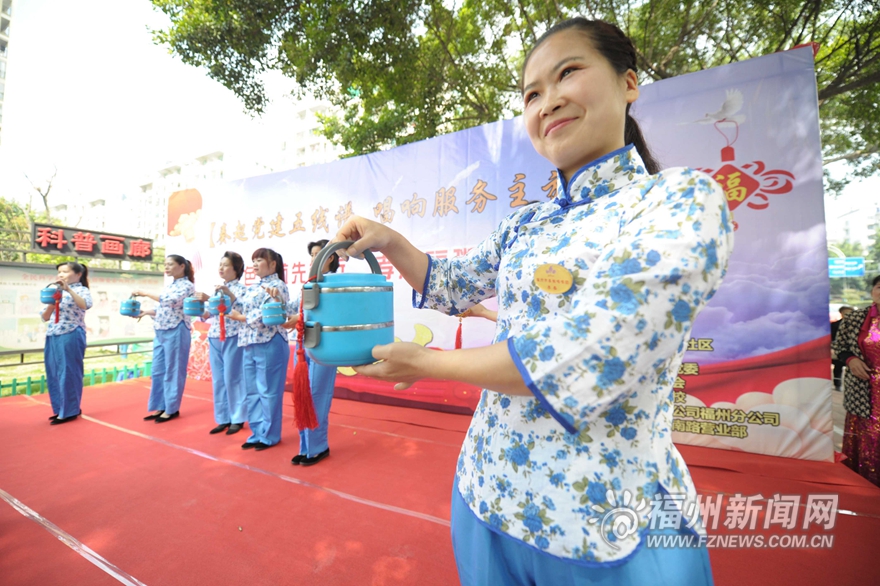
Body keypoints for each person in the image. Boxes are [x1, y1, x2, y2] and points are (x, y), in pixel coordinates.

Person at [333, 18, 732, 585]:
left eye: (568, 72)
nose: (549, 101)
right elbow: (449, 285)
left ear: (629, 82)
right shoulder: (525, 223)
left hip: (606, 525)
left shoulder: (679, 199)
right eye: (531, 94)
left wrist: (425, 363)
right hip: (487, 494)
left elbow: (599, 347)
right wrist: (391, 239)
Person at [228, 248, 292, 451]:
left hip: (270, 342)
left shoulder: (278, 286)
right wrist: (228, 294)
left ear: (273, 264)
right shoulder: (254, 286)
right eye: (253, 260)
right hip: (249, 342)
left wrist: (240, 318)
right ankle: (257, 432)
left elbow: (265, 315)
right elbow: (241, 305)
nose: (255, 264)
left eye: (259, 260)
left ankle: (270, 435)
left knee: (269, 391)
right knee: (252, 391)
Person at [285, 240, 340, 466]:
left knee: (317, 396)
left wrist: (300, 319)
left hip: (326, 347)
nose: (314, 258)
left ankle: (318, 447)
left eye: (319, 254)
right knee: (303, 396)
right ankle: (306, 447)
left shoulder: (336, 284)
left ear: (331, 258)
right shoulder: (309, 283)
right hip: (304, 347)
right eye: (312, 254)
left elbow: (331, 316)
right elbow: (294, 309)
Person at [135, 255, 196, 423]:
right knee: (158, 370)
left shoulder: (187, 286)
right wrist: (146, 312)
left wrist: (145, 293)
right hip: (161, 331)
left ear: (182, 266)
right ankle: (160, 406)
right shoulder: (170, 285)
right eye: (165, 264)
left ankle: (171, 408)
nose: (167, 267)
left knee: (174, 370)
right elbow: (160, 307)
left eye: (170, 264)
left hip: (176, 329)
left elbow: (171, 302)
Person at [193, 251, 248, 435]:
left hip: (232, 336)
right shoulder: (218, 288)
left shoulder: (241, 289)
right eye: (220, 264)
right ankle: (223, 418)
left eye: (225, 265)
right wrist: (200, 306)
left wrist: (213, 298)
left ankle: (237, 418)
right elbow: (210, 314)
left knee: (233, 377)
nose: (221, 268)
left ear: (236, 269)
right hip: (215, 335)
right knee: (218, 379)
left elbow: (238, 308)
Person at [831, 281, 880, 487]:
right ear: (871, 291)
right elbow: (839, 346)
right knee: (868, 438)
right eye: (879, 286)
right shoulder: (855, 318)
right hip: (864, 389)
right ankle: (865, 487)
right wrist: (851, 360)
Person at [41, 262, 93, 424]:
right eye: (59, 272)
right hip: (53, 334)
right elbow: (45, 317)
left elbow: (85, 305)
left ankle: (70, 410)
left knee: (69, 372)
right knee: (54, 373)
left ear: (78, 274)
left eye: (65, 271)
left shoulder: (81, 290)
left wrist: (68, 290)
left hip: (71, 333)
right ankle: (60, 409)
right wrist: (51, 304)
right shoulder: (53, 290)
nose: (61, 275)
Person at [831, 305, 854, 391]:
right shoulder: (834, 325)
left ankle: (850, 386)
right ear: (841, 313)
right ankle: (837, 384)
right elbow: (831, 338)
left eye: (849, 312)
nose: (847, 314)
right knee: (838, 367)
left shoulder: (857, 325)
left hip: (852, 351)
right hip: (838, 350)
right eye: (845, 313)